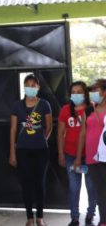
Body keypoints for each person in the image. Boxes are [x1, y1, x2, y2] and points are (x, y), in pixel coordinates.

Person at [9, 74, 52, 226]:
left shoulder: (44, 104)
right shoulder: (17, 105)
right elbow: (13, 129)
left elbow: (49, 126)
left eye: (33, 85)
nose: (30, 88)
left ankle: (40, 217)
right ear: (24, 87)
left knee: (40, 183)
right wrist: (12, 153)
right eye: (27, 85)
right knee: (26, 184)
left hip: (41, 150)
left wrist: (41, 139)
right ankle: (29, 218)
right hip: (22, 150)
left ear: (38, 87)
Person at [57, 81, 96, 226]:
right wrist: (61, 154)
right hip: (70, 156)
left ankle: (90, 214)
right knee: (74, 188)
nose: (76, 94)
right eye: (73, 92)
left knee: (92, 188)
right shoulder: (65, 110)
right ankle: (74, 217)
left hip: (91, 156)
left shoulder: (92, 108)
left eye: (79, 92)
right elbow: (60, 133)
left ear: (85, 94)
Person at [74, 79, 106, 226]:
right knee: (100, 192)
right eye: (92, 90)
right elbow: (83, 133)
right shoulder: (88, 110)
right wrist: (78, 157)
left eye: (96, 90)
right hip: (91, 157)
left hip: (105, 157)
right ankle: (103, 221)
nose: (93, 93)